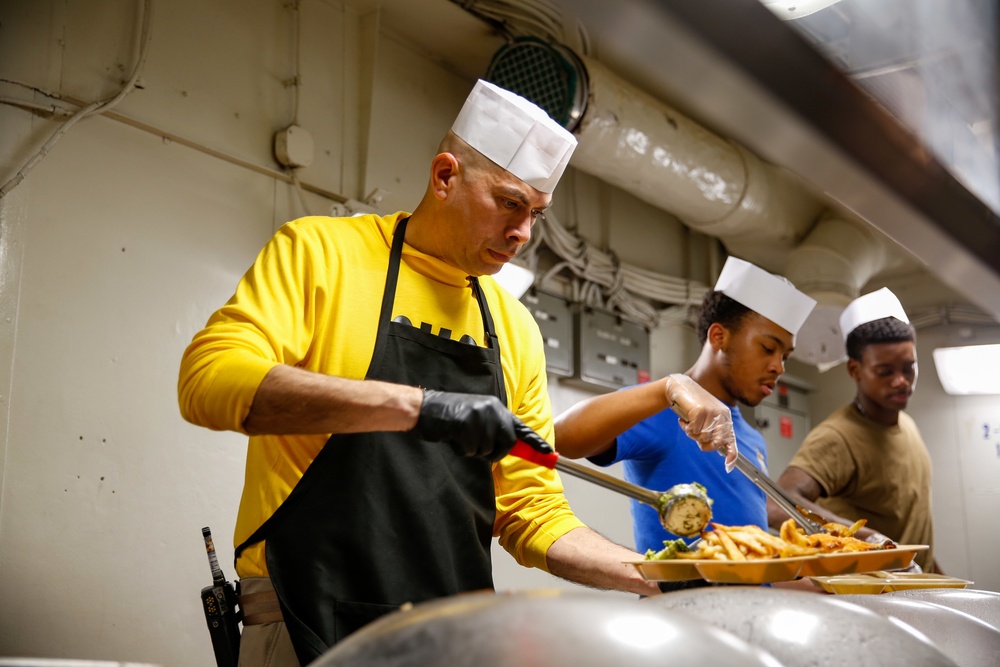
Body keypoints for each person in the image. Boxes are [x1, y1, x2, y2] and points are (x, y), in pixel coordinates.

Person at [178, 79, 733, 666]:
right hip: (306, 618)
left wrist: (665, 575)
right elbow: (208, 380)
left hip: (455, 637)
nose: (523, 233)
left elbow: (532, 512)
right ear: (445, 177)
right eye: (509, 203)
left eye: (536, 214)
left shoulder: (514, 327)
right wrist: (419, 407)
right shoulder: (322, 254)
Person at [554, 257, 816, 573]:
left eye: (785, 356)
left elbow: (756, 563)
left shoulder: (752, 438)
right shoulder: (662, 408)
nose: (779, 367)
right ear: (719, 336)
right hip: (681, 609)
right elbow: (562, 437)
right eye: (767, 348)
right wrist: (669, 388)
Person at [773, 288, 939, 572]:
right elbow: (777, 503)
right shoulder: (838, 437)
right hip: (869, 595)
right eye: (885, 371)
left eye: (908, 368)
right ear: (854, 370)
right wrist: (870, 541)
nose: (901, 381)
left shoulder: (907, 426)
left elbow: (913, 531)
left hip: (915, 587)